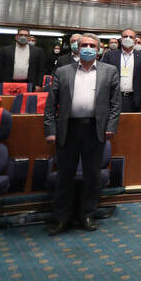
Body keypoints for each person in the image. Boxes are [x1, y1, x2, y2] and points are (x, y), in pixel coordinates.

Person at [43, 33, 120, 235]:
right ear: (77, 47)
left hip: (95, 129)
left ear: (99, 49)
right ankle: (62, 217)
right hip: (68, 128)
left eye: (92, 46)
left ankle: (87, 214)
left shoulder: (110, 71)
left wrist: (111, 126)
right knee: (65, 175)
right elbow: (50, 105)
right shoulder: (63, 71)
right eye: (84, 44)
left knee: (92, 175)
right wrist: (50, 130)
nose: (88, 48)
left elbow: (115, 103)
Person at [101, 28, 141, 113]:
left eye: (131, 37)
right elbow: (103, 77)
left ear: (134, 40)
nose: (128, 39)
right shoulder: (109, 55)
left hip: (135, 100)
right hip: (113, 99)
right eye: (125, 36)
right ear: (121, 39)